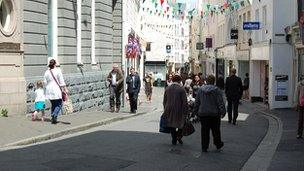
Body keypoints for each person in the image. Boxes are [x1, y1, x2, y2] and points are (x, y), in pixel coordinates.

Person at [193, 75, 226, 152]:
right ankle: (218, 144)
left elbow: (197, 101)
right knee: (216, 130)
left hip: (203, 113)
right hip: (214, 113)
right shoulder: (217, 90)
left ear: (206, 81)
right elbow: (220, 102)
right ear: (214, 81)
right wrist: (223, 111)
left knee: (204, 131)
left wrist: (195, 111)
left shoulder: (201, 90)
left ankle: (204, 146)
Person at [163, 75, 188, 145]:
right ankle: (178, 136)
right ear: (179, 81)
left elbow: (164, 100)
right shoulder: (181, 89)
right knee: (181, 124)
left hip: (169, 108)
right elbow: (184, 101)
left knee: (171, 124)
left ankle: (174, 138)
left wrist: (165, 108)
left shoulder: (168, 88)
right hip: (179, 109)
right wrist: (186, 110)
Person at [44, 59, 67, 124]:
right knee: (59, 104)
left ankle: (54, 119)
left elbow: (45, 82)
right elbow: (61, 81)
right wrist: (65, 89)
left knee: (53, 104)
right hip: (56, 89)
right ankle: (54, 114)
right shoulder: (58, 71)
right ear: (55, 64)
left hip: (49, 90)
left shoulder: (46, 72)